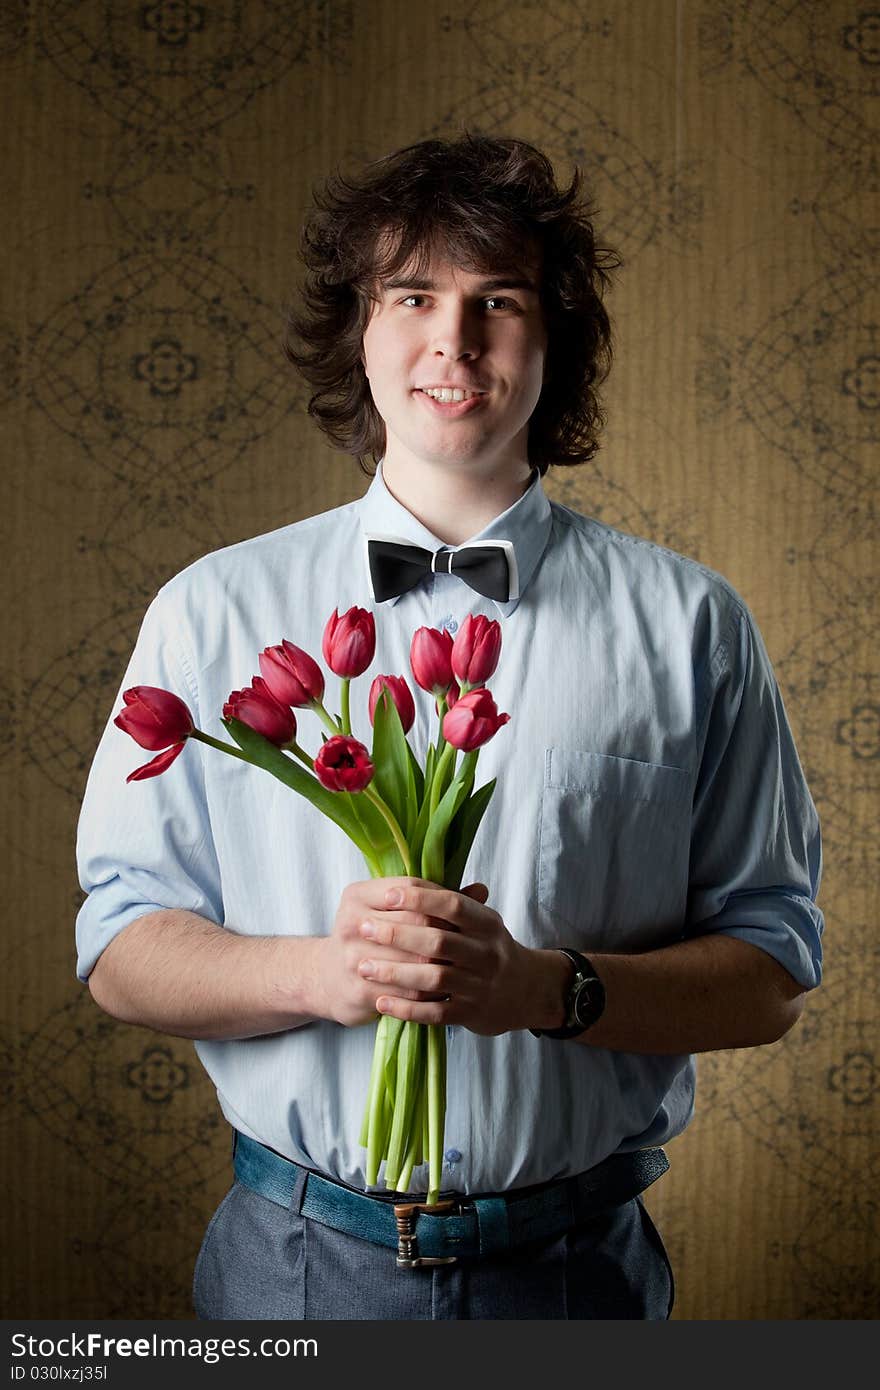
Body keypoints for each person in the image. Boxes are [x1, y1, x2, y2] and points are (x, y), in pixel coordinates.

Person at [76, 133, 824, 1321]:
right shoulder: (211, 609)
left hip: (580, 1272)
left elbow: (771, 971)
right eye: (413, 295)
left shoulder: (691, 622)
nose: (454, 340)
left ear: (553, 338)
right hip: (292, 1265)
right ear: (360, 330)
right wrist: (328, 972)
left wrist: (542, 987)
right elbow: (118, 946)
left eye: (500, 300)